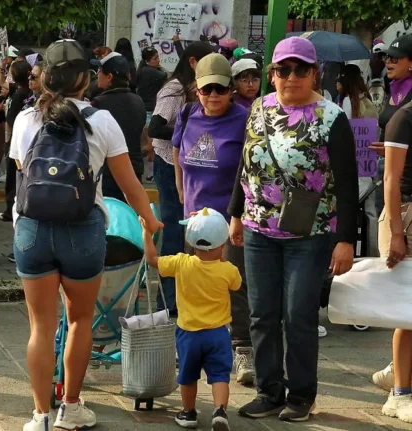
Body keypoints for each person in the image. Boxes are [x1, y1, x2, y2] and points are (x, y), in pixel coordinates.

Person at [12, 39, 162, 431]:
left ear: (46, 76)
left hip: (32, 229)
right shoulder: (103, 120)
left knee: (40, 327)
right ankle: (71, 408)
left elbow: (25, 174)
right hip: (83, 230)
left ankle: (40, 415)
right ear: (85, 78)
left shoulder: (26, 119)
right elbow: (130, 185)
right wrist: (149, 220)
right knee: (79, 321)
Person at [228, 37, 358, 421]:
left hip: (310, 233)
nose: (291, 77)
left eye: (301, 69)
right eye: (283, 70)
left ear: (315, 73)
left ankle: (301, 395)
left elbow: (348, 184)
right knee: (261, 314)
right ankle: (269, 391)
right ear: (272, 74)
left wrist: (346, 240)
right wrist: (235, 213)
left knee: (298, 314)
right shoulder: (259, 108)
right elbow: (245, 164)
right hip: (258, 229)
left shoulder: (332, 117)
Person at [171, 53, 255, 386]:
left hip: (231, 219)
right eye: (207, 89)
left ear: (231, 89)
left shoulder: (244, 119)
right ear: (197, 89)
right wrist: (181, 190)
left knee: (234, 283)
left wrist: (239, 214)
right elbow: (176, 151)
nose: (214, 96)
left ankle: (242, 347)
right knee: (192, 282)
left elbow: (251, 169)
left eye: (221, 89)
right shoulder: (187, 114)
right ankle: (193, 345)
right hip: (194, 218)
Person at [142, 208, 239, 430]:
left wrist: (146, 233)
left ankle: (188, 413)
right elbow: (236, 285)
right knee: (220, 375)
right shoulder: (228, 270)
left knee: (188, 375)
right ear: (223, 244)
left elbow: (152, 259)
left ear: (191, 241)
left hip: (189, 334)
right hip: (218, 333)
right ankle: (220, 410)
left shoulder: (181, 263)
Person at [147, 41, 215, 313]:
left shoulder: (197, 89)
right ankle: (167, 301)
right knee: (174, 233)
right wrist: (188, 133)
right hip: (167, 165)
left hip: (188, 168)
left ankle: (185, 296)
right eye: (207, 62)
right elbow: (154, 127)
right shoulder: (174, 89)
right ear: (193, 62)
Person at [371, 33, 412, 407]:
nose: (389, 62)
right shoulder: (405, 113)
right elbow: (391, 180)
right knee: (407, 307)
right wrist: (397, 233)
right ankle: (400, 391)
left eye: (396, 57)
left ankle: (397, 372)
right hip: (406, 212)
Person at [91, 52, 146, 201]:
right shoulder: (138, 101)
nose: (97, 75)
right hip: (134, 171)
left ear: (109, 77)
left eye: (100, 71)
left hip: (108, 174)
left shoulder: (98, 104)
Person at [0, 60, 32, 226]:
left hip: (15, 142)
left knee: (13, 178)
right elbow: (1, 83)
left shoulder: (19, 95)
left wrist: (7, 142)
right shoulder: (26, 91)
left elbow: (10, 122)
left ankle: (10, 210)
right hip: (23, 141)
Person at [136, 47, 167, 121]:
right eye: (155, 59)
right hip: (150, 111)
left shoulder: (142, 69)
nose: (158, 60)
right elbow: (166, 75)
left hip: (144, 108)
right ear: (147, 61)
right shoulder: (151, 71)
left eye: (158, 57)